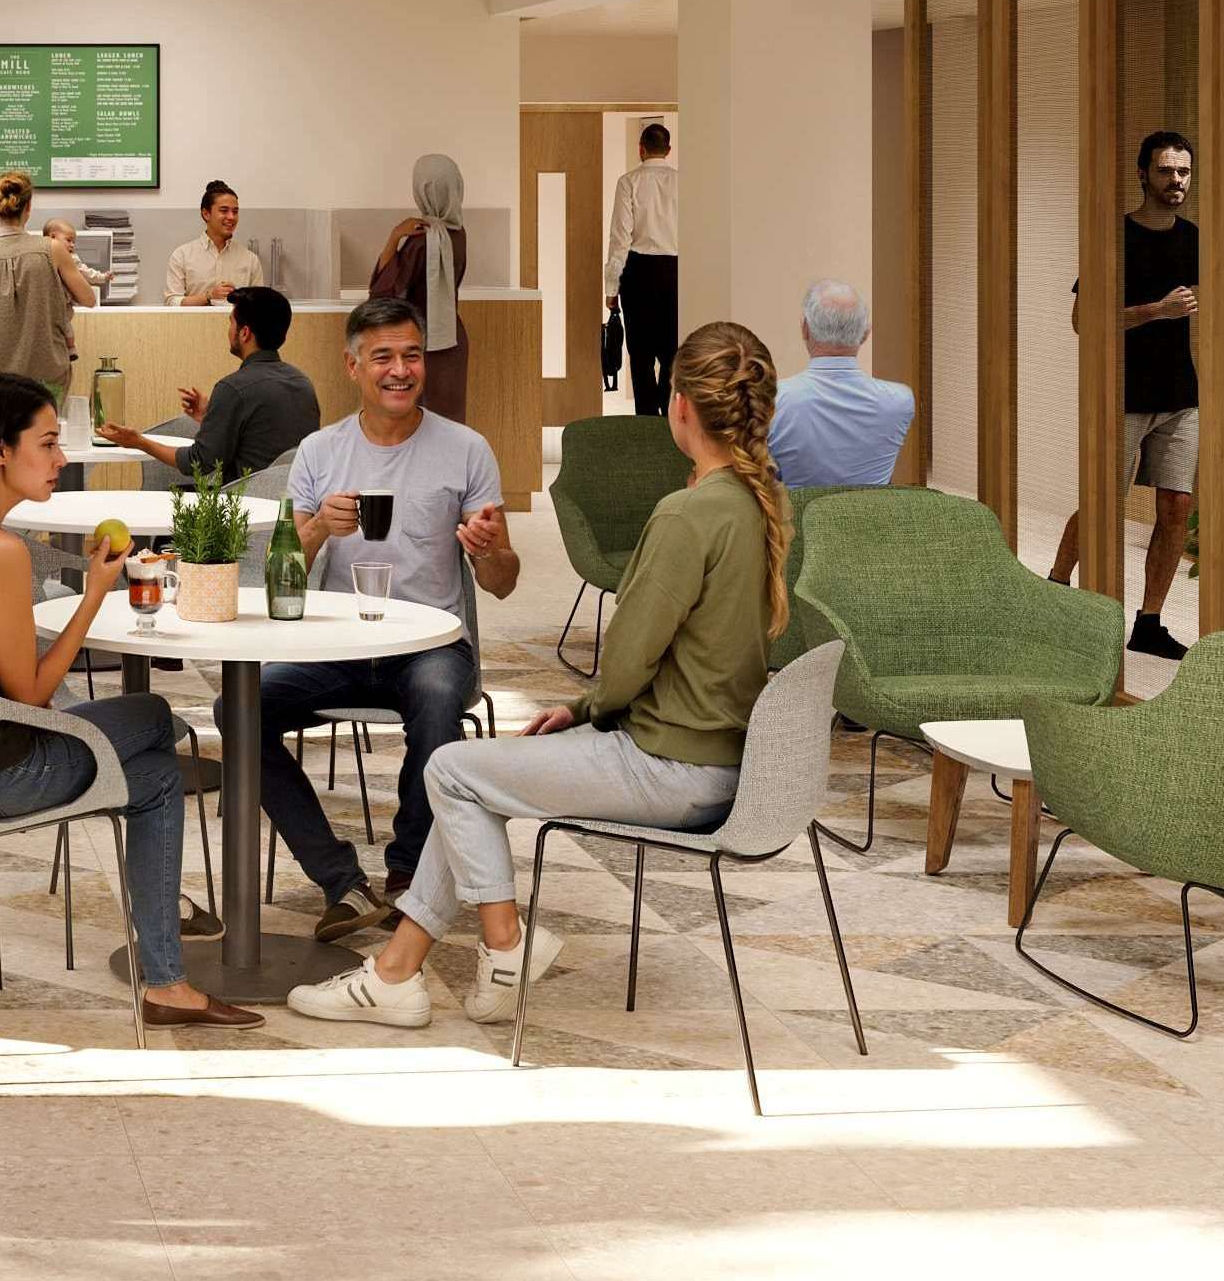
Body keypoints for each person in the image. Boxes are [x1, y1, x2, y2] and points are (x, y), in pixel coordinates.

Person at [294, 322, 787, 1030]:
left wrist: (588, 708)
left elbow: (623, 667)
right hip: (713, 755)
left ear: (679, 406)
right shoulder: (757, 502)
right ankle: (397, 972)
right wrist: (582, 713)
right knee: (479, 773)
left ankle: (505, 945)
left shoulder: (687, 516)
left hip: (671, 765)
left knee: (456, 771)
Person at [0, 371, 260, 1029]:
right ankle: (166, 968)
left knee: (153, 765)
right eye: (49, 443)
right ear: (1, 450)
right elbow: (29, 693)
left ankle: (168, 973)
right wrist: (94, 594)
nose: (62, 460)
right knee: (152, 728)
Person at [252, 297, 520, 939]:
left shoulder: (466, 448)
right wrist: (317, 526)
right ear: (352, 366)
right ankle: (340, 882)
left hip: (433, 644)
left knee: (434, 702)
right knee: (243, 709)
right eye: (383, 357)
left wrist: (490, 551)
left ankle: (406, 878)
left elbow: (504, 583)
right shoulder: (319, 452)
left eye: (412, 355)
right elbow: (280, 575)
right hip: (338, 647)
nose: (401, 370)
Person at [1048, 130, 1202, 658]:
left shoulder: (1194, 238)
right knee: (1102, 504)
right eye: (1165, 171)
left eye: (1183, 171)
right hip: (1122, 393)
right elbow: (1081, 321)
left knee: (1178, 507)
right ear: (1143, 174)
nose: (1175, 180)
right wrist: (1154, 311)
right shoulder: (1114, 239)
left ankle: (1149, 623)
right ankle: (1054, 590)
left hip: (1181, 393)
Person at [99, 284, 314, 485]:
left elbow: (199, 463)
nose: (229, 331)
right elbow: (262, 441)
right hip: (290, 509)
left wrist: (139, 442)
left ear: (245, 333)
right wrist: (210, 417)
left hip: (241, 507)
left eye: (231, 322)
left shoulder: (233, 389)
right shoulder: (303, 384)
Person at [766, 279, 918, 491]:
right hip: (871, 521)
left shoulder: (772, 401)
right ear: (866, 333)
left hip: (795, 522)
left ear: (805, 329)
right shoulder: (900, 401)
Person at [372, 156, 477, 423]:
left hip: (419, 340)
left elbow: (383, 294)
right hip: (451, 337)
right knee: (449, 421)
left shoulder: (421, 241)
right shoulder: (458, 233)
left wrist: (395, 235)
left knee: (418, 424)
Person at [0, 170, 92, 391]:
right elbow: (89, 299)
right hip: (48, 372)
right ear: (28, 207)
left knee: (4, 427)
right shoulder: (51, 249)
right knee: (47, 426)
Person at [609, 121, 682, 405]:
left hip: (638, 272)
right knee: (672, 352)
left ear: (641, 149)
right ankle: (668, 421)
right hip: (675, 271)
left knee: (640, 355)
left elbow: (620, 238)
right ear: (668, 150)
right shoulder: (682, 182)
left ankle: (646, 421)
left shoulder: (628, 182)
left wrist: (611, 287)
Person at [165, 180, 264, 305]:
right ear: (206, 214)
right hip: (195, 324)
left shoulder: (250, 259)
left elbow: (260, 305)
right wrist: (208, 296)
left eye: (235, 211)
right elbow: (172, 302)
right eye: (224, 210)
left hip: (237, 324)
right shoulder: (182, 256)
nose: (231, 217)